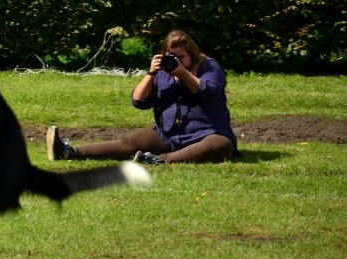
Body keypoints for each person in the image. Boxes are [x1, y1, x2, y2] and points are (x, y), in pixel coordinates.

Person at [46, 30, 238, 165]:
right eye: (170, 56)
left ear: (193, 55)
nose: (176, 61)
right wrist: (151, 73)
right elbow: (138, 101)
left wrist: (183, 73)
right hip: (168, 134)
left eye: (181, 56)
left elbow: (210, 93)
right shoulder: (162, 70)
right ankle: (68, 152)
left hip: (206, 133)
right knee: (127, 144)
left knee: (220, 146)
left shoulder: (208, 66)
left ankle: (159, 160)